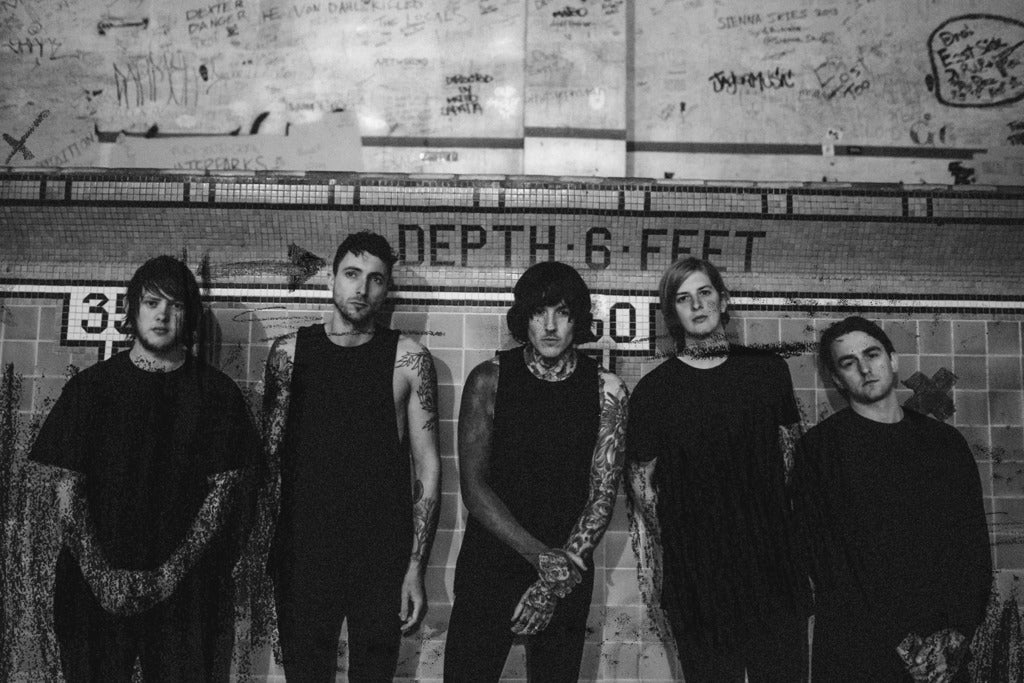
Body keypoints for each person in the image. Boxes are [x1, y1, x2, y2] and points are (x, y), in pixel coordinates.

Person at [30, 255, 258, 682]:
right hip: (90, 598)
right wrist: (100, 577)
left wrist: (169, 577)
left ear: (189, 316)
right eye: (152, 303)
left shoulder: (217, 395)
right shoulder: (91, 388)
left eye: (176, 305)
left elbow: (223, 498)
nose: (162, 315)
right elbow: (64, 490)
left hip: (185, 602)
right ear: (132, 309)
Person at [264, 230, 441, 682]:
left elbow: (427, 466)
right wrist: (266, 554)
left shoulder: (408, 360)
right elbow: (270, 463)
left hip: (380, 556)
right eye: (351, 274)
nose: (361, 288)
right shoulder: (289, 353)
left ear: (387, 290)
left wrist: (416, 567)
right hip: (303, 552)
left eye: (375, 279)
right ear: (332, 279)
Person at [625, 256, 810, 682]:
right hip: (698, 580)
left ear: (723, 301)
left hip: (773, 572)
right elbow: (642, 488)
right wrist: (686, 542)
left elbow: (791, 461)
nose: (697, 305)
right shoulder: (655, 392)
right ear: (672, 314)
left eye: (705, 292)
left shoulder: (767, 372)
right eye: (683, 298)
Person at [443, 261, 629, 682]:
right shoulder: (489, 379)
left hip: (567, 570)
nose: (549, 326)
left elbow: (601, 496)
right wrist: (541, 559)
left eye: (562, 313)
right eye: (538, 312)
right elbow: (474, 488)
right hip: (490, 565)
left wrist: (550, 583)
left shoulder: (607, 389)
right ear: (522, 318)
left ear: (577, 319)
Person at [792, 316, 992, 682]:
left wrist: (958, 633)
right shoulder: (819, 451)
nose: (865, 368)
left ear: (893, 360)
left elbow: (972, 546)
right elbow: (827, 562)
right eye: (849, 362)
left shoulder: (944, 444)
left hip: (942, 652)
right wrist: (907, 645)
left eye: (872, 354)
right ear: (837, 379)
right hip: (859, 652)